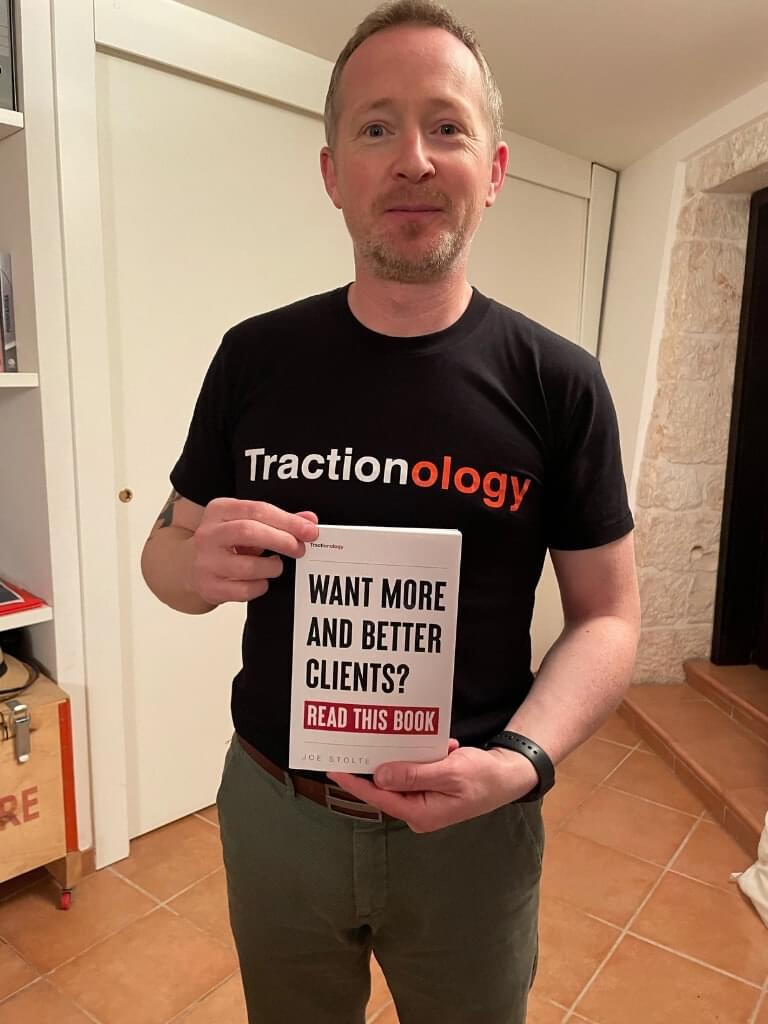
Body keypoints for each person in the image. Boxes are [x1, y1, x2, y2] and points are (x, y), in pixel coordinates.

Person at [141, 2, 640, 1021]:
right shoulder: (254, 357)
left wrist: (522, 763)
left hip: (472, 831)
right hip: (278, 814)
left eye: (447, 126)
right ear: (334, 173)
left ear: (493, 170)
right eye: (376, 127)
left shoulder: (560, 383)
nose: (413, 158)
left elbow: (610, 615)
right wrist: (192, 566)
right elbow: (165, 551)